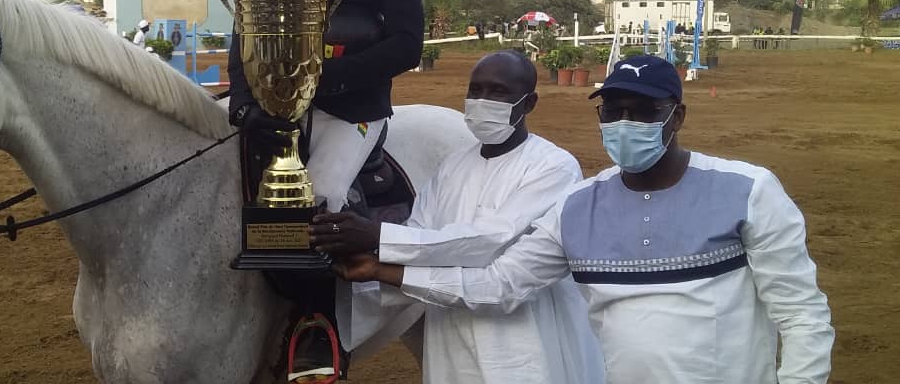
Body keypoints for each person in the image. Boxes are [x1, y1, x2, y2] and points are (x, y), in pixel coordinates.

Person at [335, 55, 835, 383]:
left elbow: (802, 314)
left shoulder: (749, 191)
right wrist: (381, 269)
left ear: (676, 116)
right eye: (612, 110)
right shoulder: (579, 206)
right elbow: (500, 283)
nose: (624, 123)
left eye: (642, 111)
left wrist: (382, 241)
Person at [225, 0, 422, 383]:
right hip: (271, 96)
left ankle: (318, 326)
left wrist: (318, 79)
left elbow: (407, 44)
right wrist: (244, 99)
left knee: (320, 206)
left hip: (351, 109)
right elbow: (247, 25)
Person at [310, 51, 603, 383]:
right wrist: (366, 265)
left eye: (498, 92)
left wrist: (378, 239)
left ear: (529, 103)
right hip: (448, 345)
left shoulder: (553, 167)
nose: (482, 101)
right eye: (475, 91)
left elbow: (488, 245)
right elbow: (418, 243)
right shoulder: (452, 167)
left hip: (520, 348)